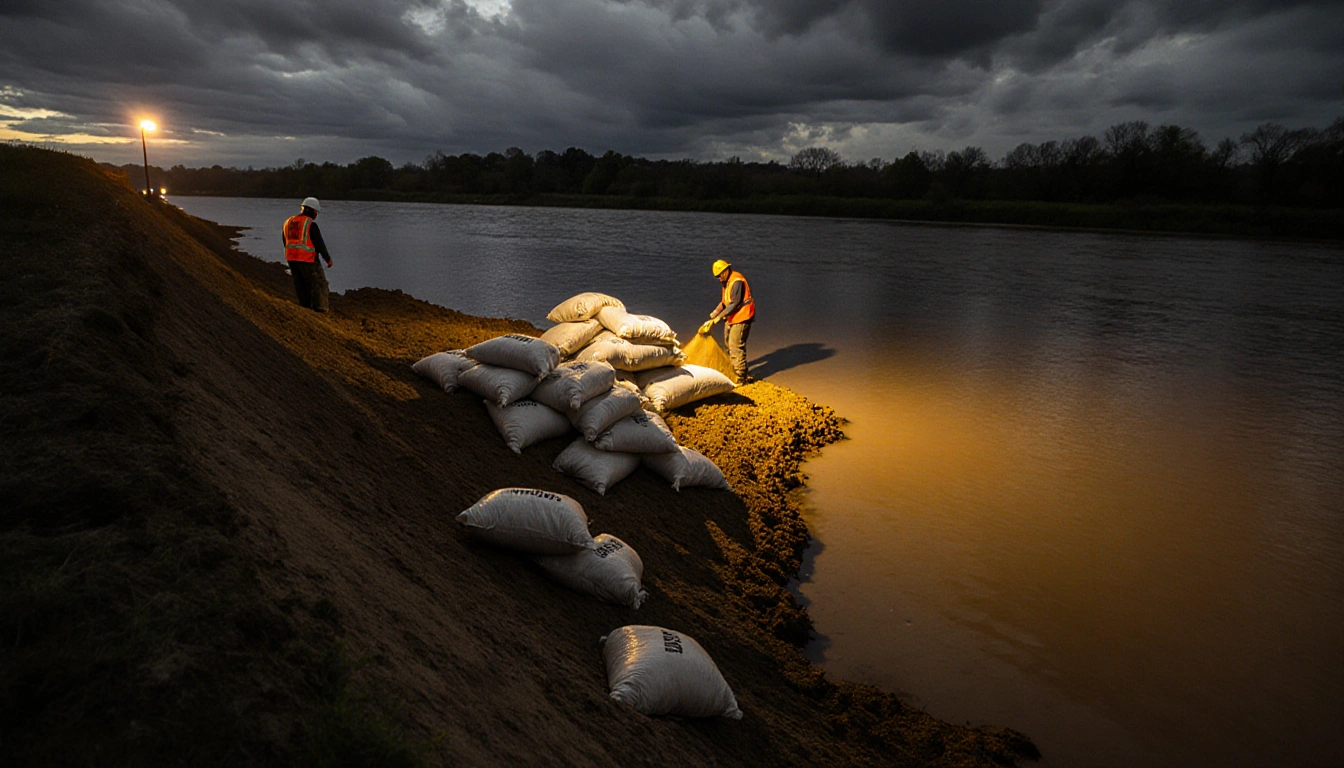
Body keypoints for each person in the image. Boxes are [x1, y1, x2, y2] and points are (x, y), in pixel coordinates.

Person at [699, 259, 754, 383]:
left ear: (726, 271)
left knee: (735, 346)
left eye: (719, 275)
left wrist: (718, 318)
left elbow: (734, 303)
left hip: (742, 316)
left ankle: (740, 377)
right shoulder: (726, 282)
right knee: (728, 344)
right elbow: (725, 302)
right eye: (716, 276)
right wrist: (714, 314)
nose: (719, 278)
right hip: (732, 317)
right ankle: (736, 369)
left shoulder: (736, 281)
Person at [281, 197, 333, 312]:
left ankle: (305, 307)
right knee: (318, 284)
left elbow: (285, 241)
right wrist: (327, 259)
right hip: (308, 259)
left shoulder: (288, 222)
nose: (316, 215)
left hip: (291, 259)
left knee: (300, 284)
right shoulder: (310, 225)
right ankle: (320, 308)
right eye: (316, 212)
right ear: (311, 211)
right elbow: (319, 244)